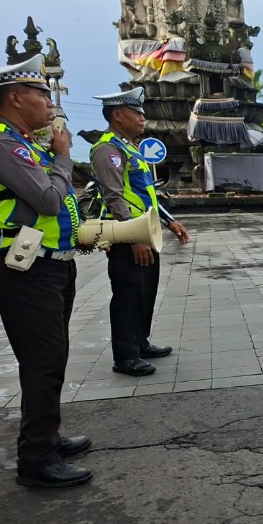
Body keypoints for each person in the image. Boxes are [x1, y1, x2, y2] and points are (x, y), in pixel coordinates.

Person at [0, 55, 92, 488]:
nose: (49, 101)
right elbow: (48, 199)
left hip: (50, 264)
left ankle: (49, 436)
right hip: (23, 269)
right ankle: (37, 459)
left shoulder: (26, 144)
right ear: (15, 97)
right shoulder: (0, 145)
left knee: (50, 358)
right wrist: (63, 159)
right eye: (40, 93)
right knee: (43, 361)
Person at [89, 87, 189, 377]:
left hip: (147, 232)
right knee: (128, 295)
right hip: (126, 236)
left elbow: (147, 195)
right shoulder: (108, 149)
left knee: (145, 292)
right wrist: (133, 238)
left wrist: (169, 221)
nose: (143, 118)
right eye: (137, 113)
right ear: (117, 115)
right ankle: (125, 356)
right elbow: (114, 197)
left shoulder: (132, 148)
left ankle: (140, 343)